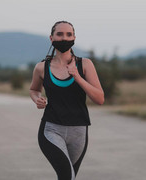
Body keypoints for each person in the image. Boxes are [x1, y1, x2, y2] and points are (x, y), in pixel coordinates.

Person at [29, 20, 104, 180]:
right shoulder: (42, 67)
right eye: (60, 34)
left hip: (79, 131)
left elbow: (99, 98)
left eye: (69, 34)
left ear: (74, 38)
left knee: (68, 177)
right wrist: (37, 99)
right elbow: (34, 89)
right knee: (66, 175)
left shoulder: (85, 64)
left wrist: (77, 76)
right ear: (51, 38)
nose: (64, 38)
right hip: (51, 129)